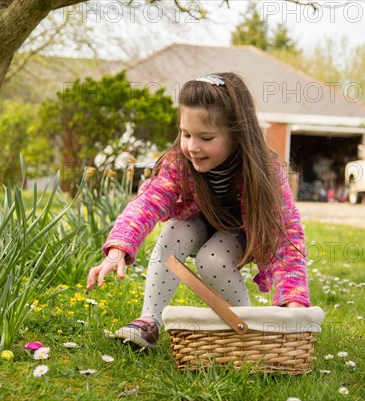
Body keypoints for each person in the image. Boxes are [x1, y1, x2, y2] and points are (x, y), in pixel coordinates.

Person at [87, 72, 310, 349]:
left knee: (212, 259)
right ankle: (149, 321)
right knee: (175, 229)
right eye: (186, 134)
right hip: (197, 222)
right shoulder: (178, 164)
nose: (192, 147)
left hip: (238, 232)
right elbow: (147, 203)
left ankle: (248, 328)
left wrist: (293, 297)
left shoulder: (265, 172)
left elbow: (285, 235)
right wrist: (119, 247)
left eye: (205, 137)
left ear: (238, 135)